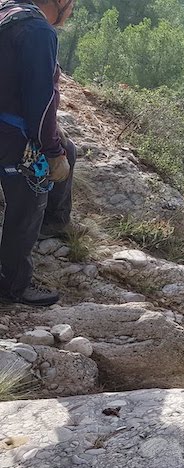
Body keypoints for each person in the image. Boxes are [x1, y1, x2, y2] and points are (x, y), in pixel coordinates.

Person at [0, 0, 76, 306]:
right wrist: (50, 150)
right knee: (29, 200)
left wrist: (60, 146)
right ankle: (12, 286)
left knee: (68, 148)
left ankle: (53, 223)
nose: (72, 12)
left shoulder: (6, 12)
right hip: (12, 131)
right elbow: (40, 101)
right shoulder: (37, 31)